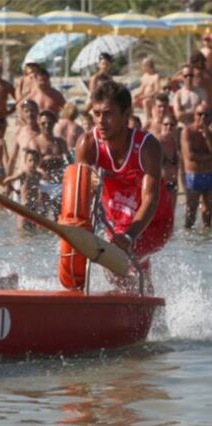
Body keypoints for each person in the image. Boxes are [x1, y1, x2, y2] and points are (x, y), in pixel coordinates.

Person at [76, 80, 174, 293]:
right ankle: (149, 311)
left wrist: (130, 236)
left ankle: (136, 302)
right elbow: (77, 197)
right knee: (119, 267)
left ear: (127, 113)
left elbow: (151, 199)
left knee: (116, 262)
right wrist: (88, 185)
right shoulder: (88, 144)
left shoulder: (148, 146)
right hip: (118, 220)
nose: (101, 121)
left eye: (108, 114)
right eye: (97, 113)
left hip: (155, 221)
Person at [180, 103, 212, 229]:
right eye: (200, 114)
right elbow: (190, 155)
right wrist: (209, 158)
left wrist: (206, 135)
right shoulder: (187, 132)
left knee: (209, 210)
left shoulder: (209, 133)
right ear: (194, 115)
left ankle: (205, 239)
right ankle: (188, 235)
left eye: (207, 115)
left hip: (209, 174)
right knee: (191, 210)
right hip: (194, 176)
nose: (203, 118)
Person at [32, 111, 68, 219]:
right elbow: (32, 164)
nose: (47, 126)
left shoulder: (61, 142)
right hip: (43, 183)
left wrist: (56, 159)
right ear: (39, 123)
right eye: (44, 123)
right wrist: (42, 166)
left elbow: (68, 163)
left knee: (59, 216)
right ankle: (39, 236)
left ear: (54, 123)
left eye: (50, 123)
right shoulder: (35, 142)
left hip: (58, 183)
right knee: (41, 216)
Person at [3, 149, 43, 230]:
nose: (33, 163)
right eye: (30, 160)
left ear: (38, 162)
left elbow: (39, 188)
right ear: (25, 161)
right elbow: (7, 180)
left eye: (35, 161)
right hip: (24, 205)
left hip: (34, 206)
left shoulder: (39, 175)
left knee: (33, 230)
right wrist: (13, 189)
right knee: (21, 229)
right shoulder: (24, 173)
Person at [8, 99, 41, 177]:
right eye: (26, 111)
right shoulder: (20, 132)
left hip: (39, 178)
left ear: (37, 112)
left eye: (32, 110)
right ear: (22, 114)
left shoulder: (43, 132)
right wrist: (8, 177)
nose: (29, 114)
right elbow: (13, 158)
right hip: (22, 175)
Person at [157, 115, 180, 209]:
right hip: (159, 186)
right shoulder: (156, 142)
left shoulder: (175, 143)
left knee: (170, 217)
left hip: (172, 185)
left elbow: (177, 166)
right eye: (166, 124)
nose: (169, 127)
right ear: (161, 126)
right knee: (157, 217)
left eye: (171, 125)